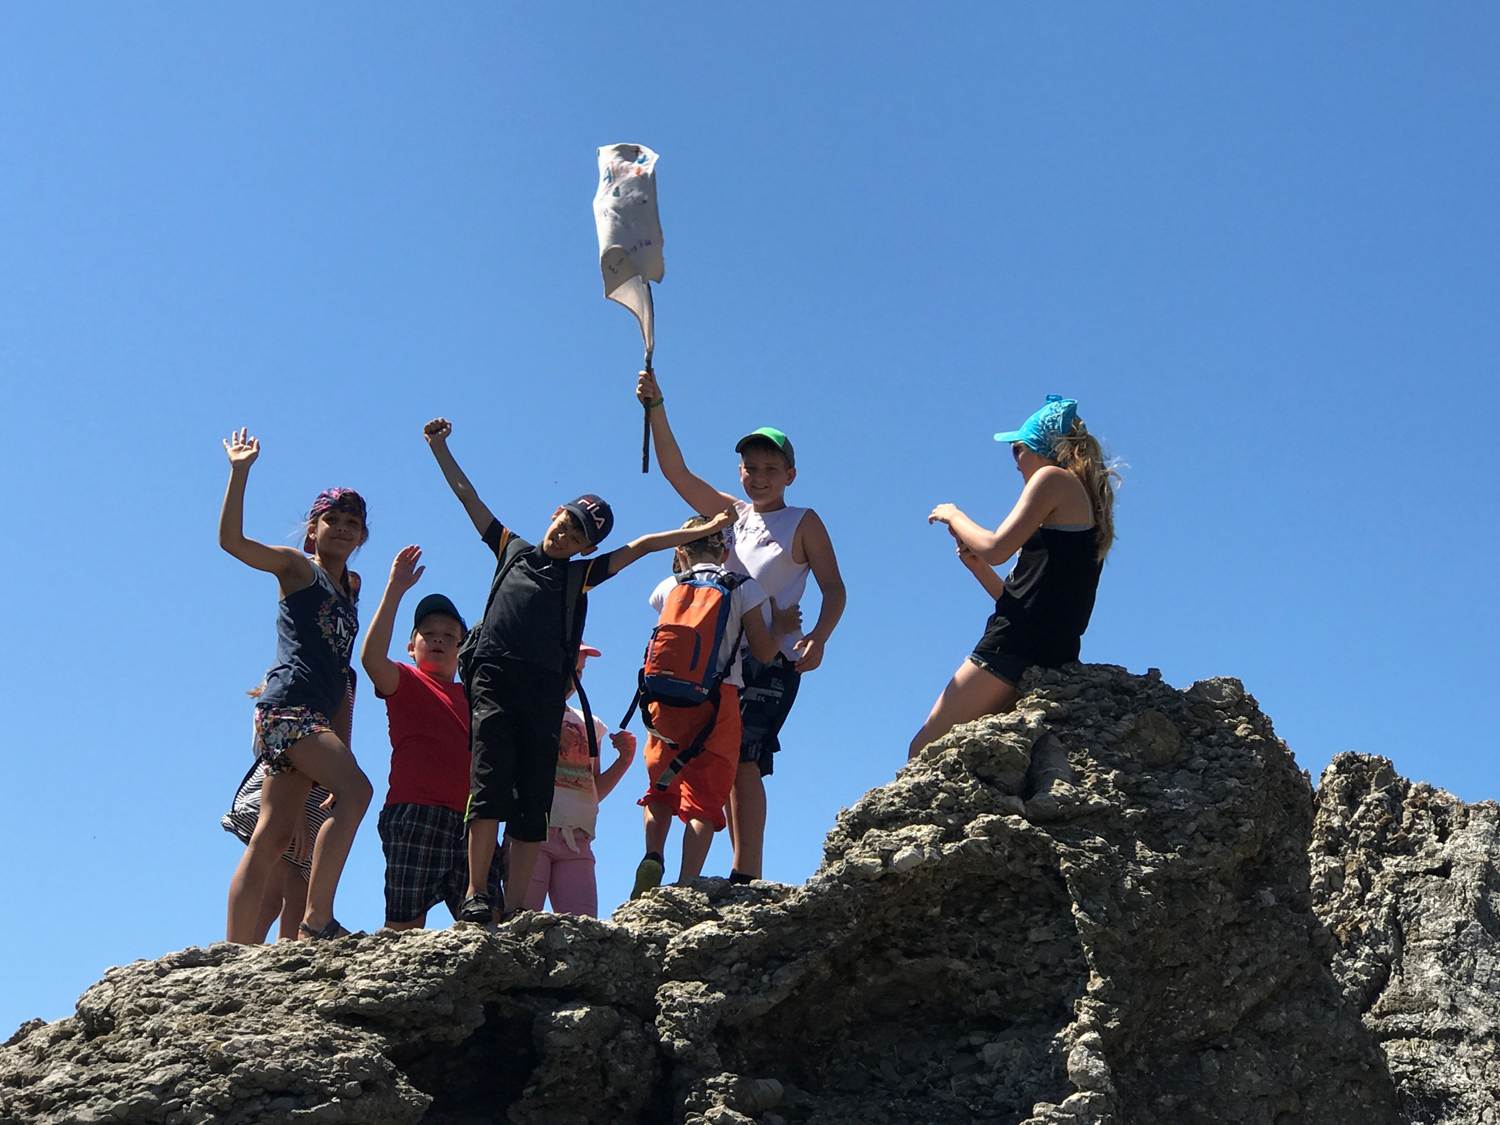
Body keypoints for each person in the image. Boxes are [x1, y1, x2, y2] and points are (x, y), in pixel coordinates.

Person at [422, 416, 739, 923]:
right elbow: (469, 498)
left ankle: (517, 906)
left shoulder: (582, 575)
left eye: (577, 535)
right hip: (495, 684)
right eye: (566, 522)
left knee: (532, 802)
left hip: (543, 694)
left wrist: (700, 530)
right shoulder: (511, 549)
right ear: (555, 513)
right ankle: (479, 893)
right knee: (488, 789)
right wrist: (440, 448)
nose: (565, 535)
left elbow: (639, 547)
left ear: (587, 549)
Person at [636, 369, 846, 882]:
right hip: (718, 656)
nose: (759, 476)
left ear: (790, 474)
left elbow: (834, 588)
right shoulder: (732, 515)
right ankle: (702, 865)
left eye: (771, 468)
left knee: (746, 758)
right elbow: (676, 472)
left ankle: (746, 873)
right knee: (716, 758)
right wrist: (655, 405)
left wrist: (818, 637)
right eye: (751, 468)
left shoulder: (803, 521)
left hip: (771, 655)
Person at [218, 428, 374, 942]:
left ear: (362, 536)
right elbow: (233, 543)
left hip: (314, 717)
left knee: (273, 835)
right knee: (357, 791)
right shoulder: (297, 568)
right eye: (333, 520)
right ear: (313, 528)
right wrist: (240, 473)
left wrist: (343, 746)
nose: (343, 529)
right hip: (289, 710)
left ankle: (236, 952)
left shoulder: (350, 587)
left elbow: (343, 676)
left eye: (353, 524)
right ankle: (316, 919)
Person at [912, 395, 1119, 758]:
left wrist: (953, 514)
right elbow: (1025, 599)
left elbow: (996, 547)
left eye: (1018, 450)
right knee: (981, 755)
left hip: (1014, 645)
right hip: (1053, 649)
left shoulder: (1052, 479)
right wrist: (978, 567)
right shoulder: (1081, 503)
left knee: (923, 750)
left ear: (1041, 448)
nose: (1016, 462)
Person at [630, 516, 781, 897]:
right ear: (725, 551)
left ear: (682, 550)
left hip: (662, 701)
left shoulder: (668, 587)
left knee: (660, 786)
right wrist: (780, 626)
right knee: (704, 799)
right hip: (718, 700)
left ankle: (652, 854)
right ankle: (685, 883)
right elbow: (764, 652)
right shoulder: (743, 587)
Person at [359, 545, 505, 929]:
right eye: (428, 634)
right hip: (415, 814)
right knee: (404, 927)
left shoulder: (476, 697)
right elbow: (371, 659)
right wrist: (395, 589)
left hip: (473, 823)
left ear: (462, 647)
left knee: (488, 924)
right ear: (411, 647)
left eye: (449, 635)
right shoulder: (404, 680)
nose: (438, 639)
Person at [521, 644, 637, 916]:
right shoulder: (525, 712)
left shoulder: (591, 724)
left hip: (578, 838)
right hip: (531, 833)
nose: (573, 679)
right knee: (520, 921)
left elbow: (592, 789)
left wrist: (624, 760)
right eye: (568, 669)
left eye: (579, 672)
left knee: (583, 927)